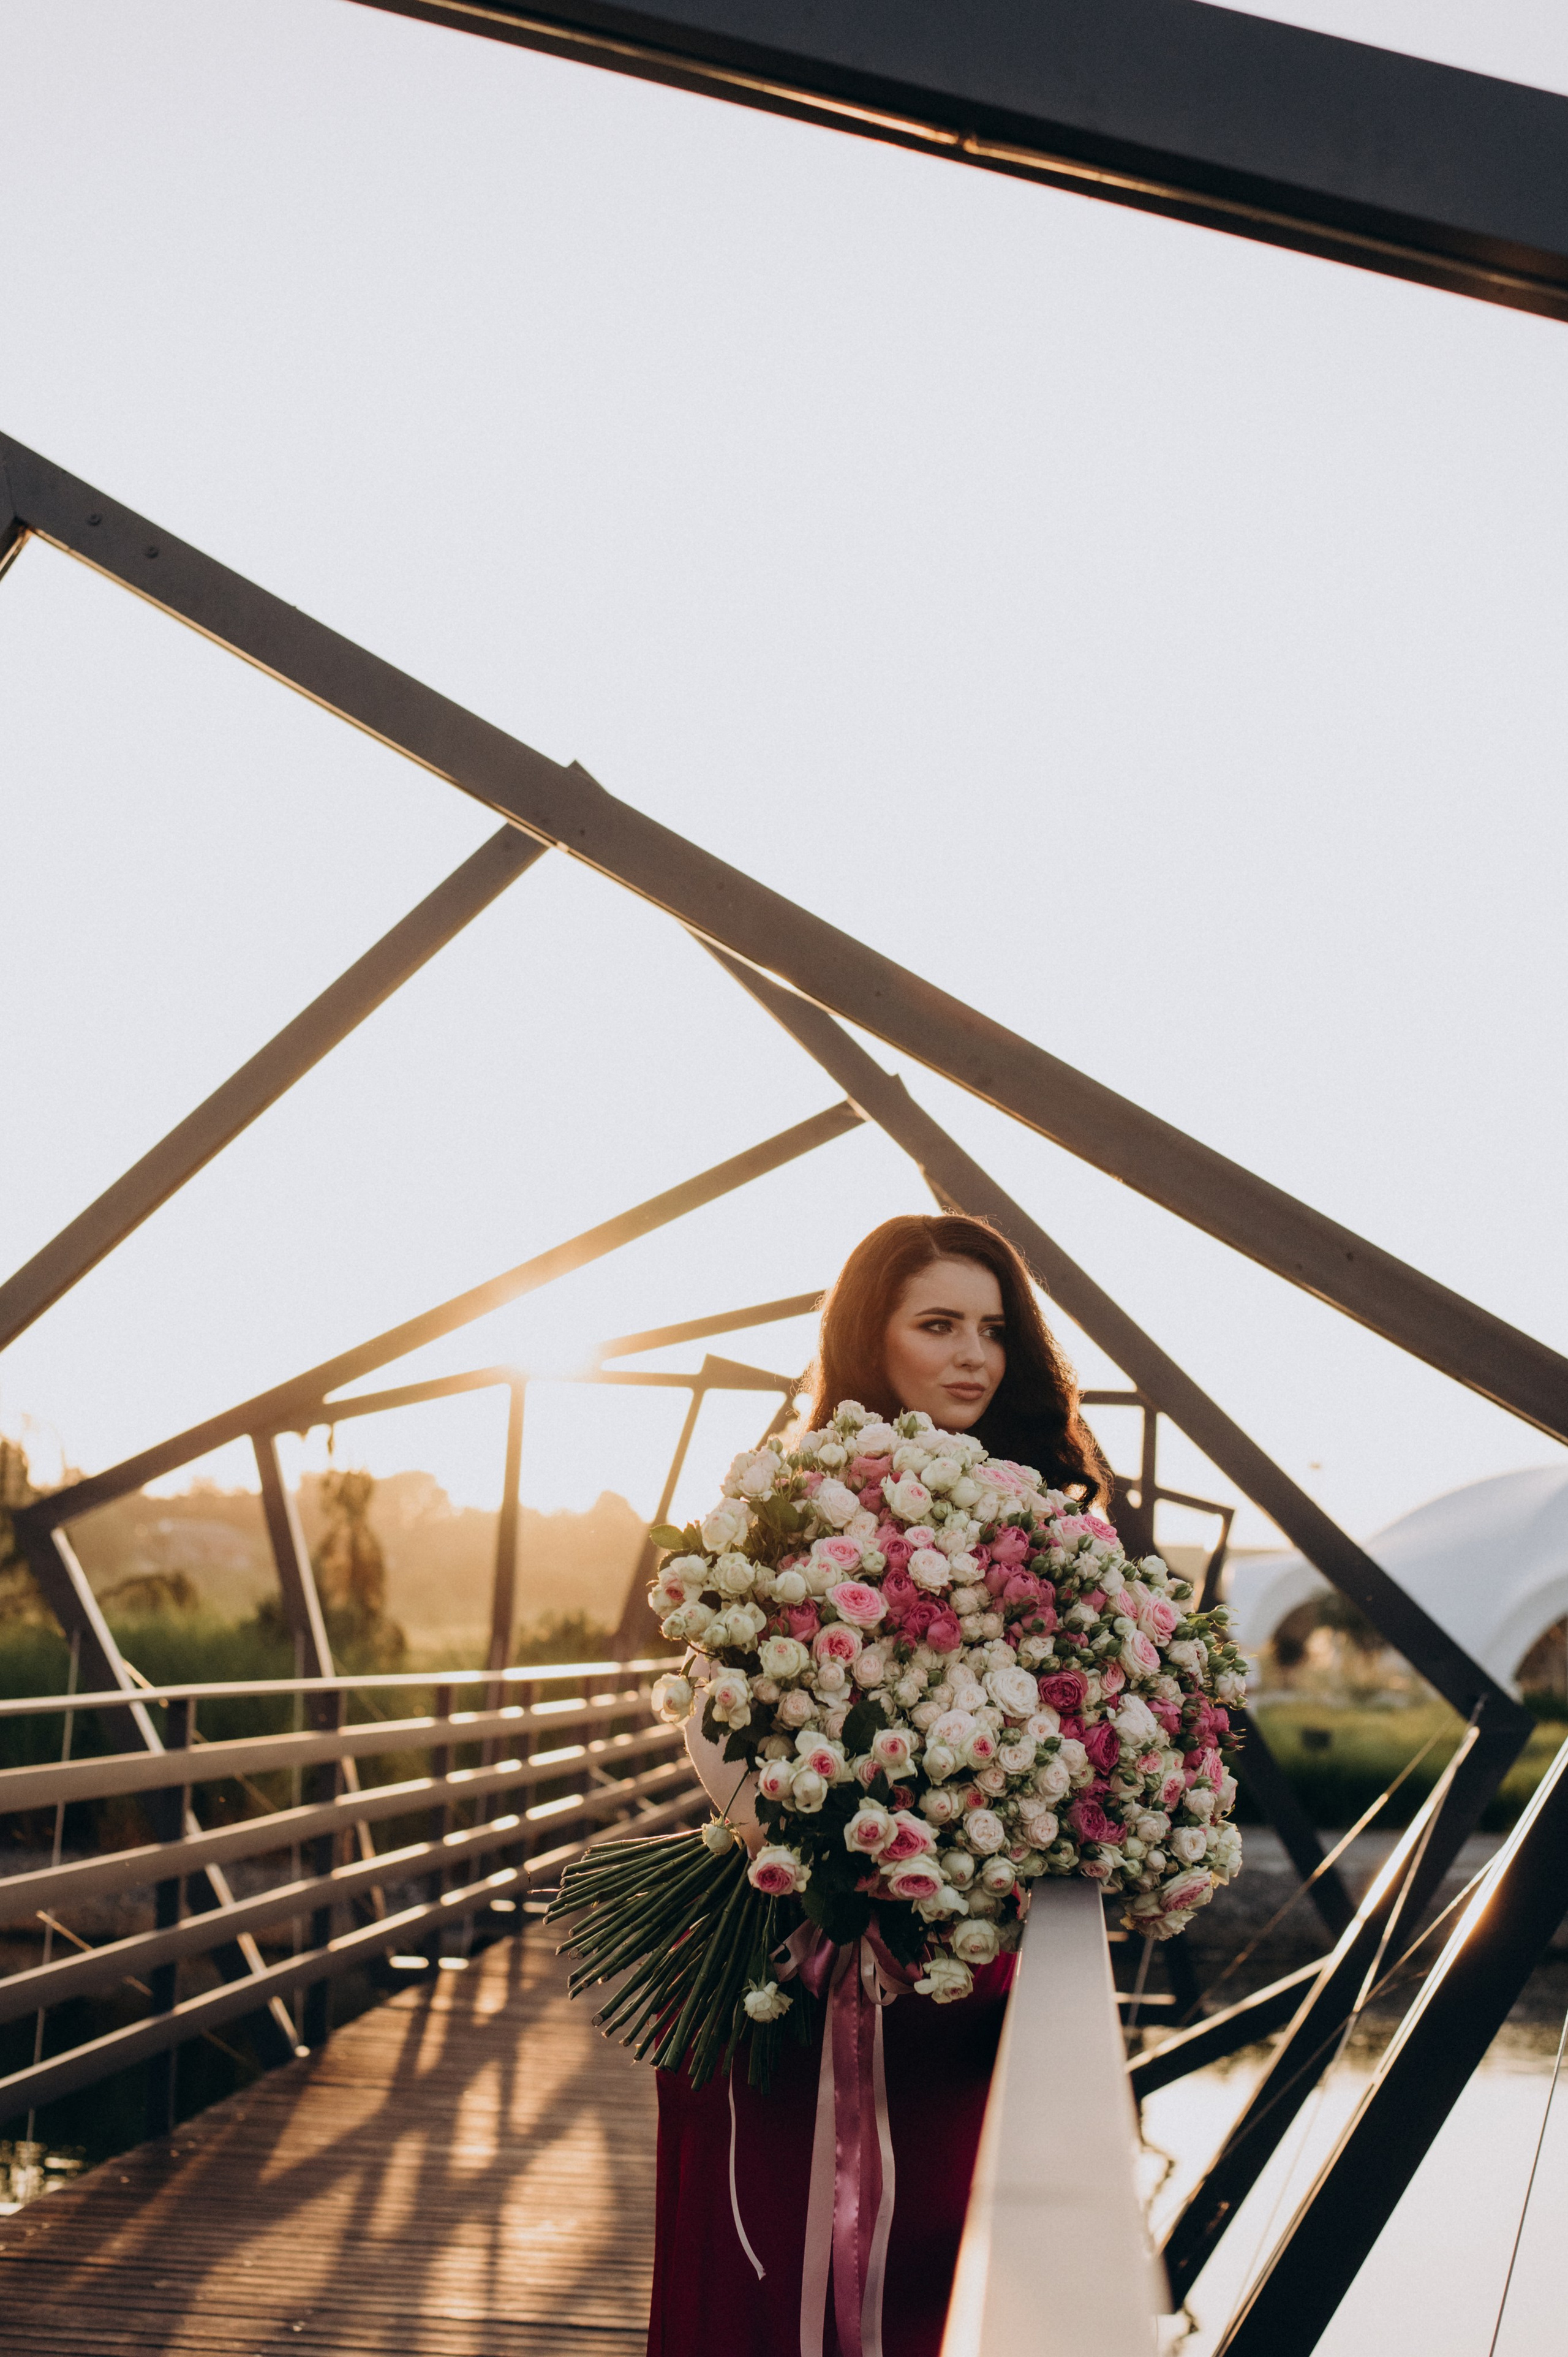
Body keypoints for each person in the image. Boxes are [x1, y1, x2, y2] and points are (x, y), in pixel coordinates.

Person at [648, 1213, 1110, 2357]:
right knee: (773, 2244)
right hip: (802, 1941)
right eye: (938, 1325)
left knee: (941, 2257)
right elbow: (721, 1719)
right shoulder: (793, 1500)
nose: (973, 1357)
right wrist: (828, 1858)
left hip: (959, 1958)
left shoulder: (1042, 1517)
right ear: (873, 1337)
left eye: (994, 1330)